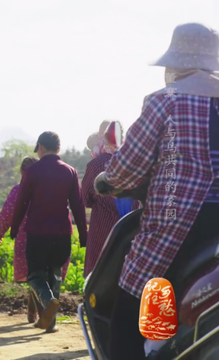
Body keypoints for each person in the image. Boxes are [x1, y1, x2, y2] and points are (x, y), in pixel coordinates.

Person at [98, 23, 219, 359]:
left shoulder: (166, 101)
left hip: (179, 222)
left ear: (176, 63)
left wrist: (108, 178)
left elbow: (128, 167)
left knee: (128, 313)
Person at [10, 131, 88, 332]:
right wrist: (83, 234)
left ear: (41, 148)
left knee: (35, 276)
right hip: (62, 234)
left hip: (38, 233)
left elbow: (21, 203)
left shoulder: (32, 172)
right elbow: (78, 205)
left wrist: (14, 227)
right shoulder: (70, 171)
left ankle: (48, 300)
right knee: (55, 275)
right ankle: (50, 323)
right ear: (59, 149)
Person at [0, 156, 71, 326]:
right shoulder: (52, 192)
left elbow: (7, 214)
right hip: (54, 240)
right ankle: (34, 313)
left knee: (35, 277)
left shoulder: (18, 191)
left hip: (27, 243)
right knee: (42, 277)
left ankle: (43, 317)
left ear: (22, 173)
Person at [81, 121, 140, 277]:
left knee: (98, 275)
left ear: (102, 137)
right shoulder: (134, 162)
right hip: (131, 228)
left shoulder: (95, 164)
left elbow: (85, 200)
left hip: (103, 228)